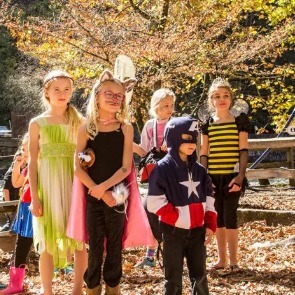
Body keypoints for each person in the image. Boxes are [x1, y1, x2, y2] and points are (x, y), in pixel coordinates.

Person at [74, 69, 137, 295]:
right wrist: (97, 190)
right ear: (97, 96)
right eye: (108, 94)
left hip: (118, 193)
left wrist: (107, 190)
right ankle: (92, 285)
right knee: (95, 243)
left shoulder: (125, 129)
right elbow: (78, 167)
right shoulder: (87, 129)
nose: (113, 98)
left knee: (114, 243)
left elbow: (125, 167)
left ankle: (113, 285)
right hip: (94, 196)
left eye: (118, 95)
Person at [28, 70, 87, 295]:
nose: (62, 94)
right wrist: (34, 196)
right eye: (57, 89)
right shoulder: (37, 123)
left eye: (67, 89)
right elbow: (32, 163)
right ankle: (48, 290)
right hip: (48, 187)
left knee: (79, 239)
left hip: (75, 185)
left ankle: (77, 289)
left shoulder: (80, 122)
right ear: (47, 92)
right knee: (48, 239)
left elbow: (90, 154)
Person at [147, 116, 217, 295]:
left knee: (200, 275)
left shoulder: (200, 170)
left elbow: (209, 196)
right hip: (173, 233)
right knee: (173, 278)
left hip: (197, 232)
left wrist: (209, 222)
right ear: (175, 137)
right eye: (187, 138)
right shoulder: (163, 169)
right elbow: (154, 202)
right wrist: (177, 217)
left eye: (194, 138)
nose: (192, 143)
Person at [199, 78, 250, 272]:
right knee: (218, 217)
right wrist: (205, 178)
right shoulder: (207, 124)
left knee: (230, 216)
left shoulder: (239, 122)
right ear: (211, 100)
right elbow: (204, 152)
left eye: (226, 95)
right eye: (217, 96)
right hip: (213, 178)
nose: (222, 99)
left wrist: (240, 177)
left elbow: (243, 151)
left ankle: (234, 261)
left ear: (231, 99)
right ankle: (221, 260)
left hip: (232, 177)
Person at [133, 88, 175, 268]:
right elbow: (144, 150)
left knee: (171, 211)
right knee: (150, 209)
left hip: (173, 174)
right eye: (165, 105)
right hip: (154, 174)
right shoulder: (150, 125)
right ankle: (150, 254)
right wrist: (128, 142)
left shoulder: (176, 123)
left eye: (171, 105)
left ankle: (174, 252)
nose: (169, 109)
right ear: (156, 107)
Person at [0, 133, 32, 295]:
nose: (25, 153)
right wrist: (17, 166)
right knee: (21, 245)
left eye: (28, 149)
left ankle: (18, 283)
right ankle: (15, 283)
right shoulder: (27, 168)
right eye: (23, 149)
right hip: (25, 209)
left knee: (36, 246)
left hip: (35, 210)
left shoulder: (38, 167)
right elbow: (16, 183)